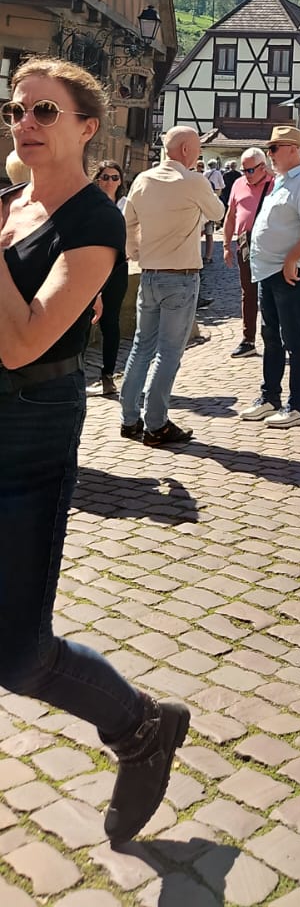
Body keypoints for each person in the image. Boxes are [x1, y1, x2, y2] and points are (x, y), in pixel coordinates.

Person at [0, 57, 189, 845]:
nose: (25, 122)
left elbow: (23, 342)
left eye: (45, 110)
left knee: (19, 656)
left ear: (87, 127)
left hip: (30, 424)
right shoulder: (9, 206)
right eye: (17, 109)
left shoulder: (95, 222)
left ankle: (140, 725)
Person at [120, 127, 224, 447]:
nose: (199, 155)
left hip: (149, 274)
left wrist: (136, 251)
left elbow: (127, 222)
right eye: (197, 149)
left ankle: (129, 419)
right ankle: (156, 425)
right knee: (168, 353)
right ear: (185, 150)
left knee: (141, 347)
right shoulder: (193, 181)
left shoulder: (143, 179)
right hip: (180, 275)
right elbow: (218, 213)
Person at [239, 124, 300, 426]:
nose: (270, 154)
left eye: (274, 149)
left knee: (292, 338)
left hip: (288, 271)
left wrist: (292, 258)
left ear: (293, 150)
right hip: (270, 269)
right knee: (271, 336)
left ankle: (299, 405)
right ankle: (269, 397)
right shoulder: (282, 181)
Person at [222, 148, 274, 357]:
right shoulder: (238, 183)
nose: (247, 174)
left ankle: (274, 339)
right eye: (244, 170)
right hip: (245, 242)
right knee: (248, 292)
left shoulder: (276, 183)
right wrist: (226, 245)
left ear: (263, 167)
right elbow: (230, 216)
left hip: (270, 244)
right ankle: (248, 340)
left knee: (271, 291)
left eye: (251, 170)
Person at [92, 160, 130, 396]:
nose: (109, 181)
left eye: (115, 177)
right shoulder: (90, 204)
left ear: (120, 181)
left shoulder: (126, 205)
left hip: (117, 269)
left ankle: (107, 375)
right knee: (84, 321)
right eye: (105, 177)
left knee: (110, 322)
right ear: (98, 179)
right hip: (91, 267)